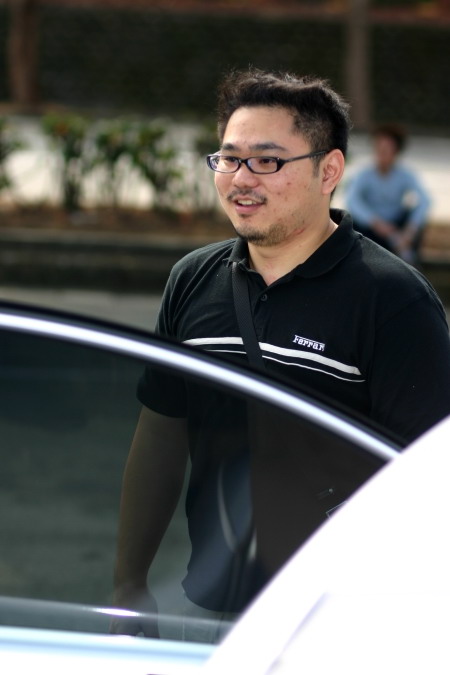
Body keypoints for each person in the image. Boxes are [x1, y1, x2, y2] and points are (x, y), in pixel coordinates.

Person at [112, 69, 450, 641]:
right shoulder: (192, 281)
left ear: (329, 171)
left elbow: (427, 482)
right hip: (211, 606)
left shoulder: (393, 300)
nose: (241, 179)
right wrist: (129, 581)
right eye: (228, 159)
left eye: (267, 161)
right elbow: (160, 439)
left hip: (342, 623)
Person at [345, 123, 431, 264]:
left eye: (386, 149)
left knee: (413, 216)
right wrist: (375, 222)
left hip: (396, 225)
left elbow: (424, 200)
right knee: (354, 223)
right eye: (378, 148)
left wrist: (411, 229)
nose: (381, 153)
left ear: (396, 151)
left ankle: (408, 258)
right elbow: (352, 200)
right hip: (372, 228)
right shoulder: (364, 174)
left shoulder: (405, 174)